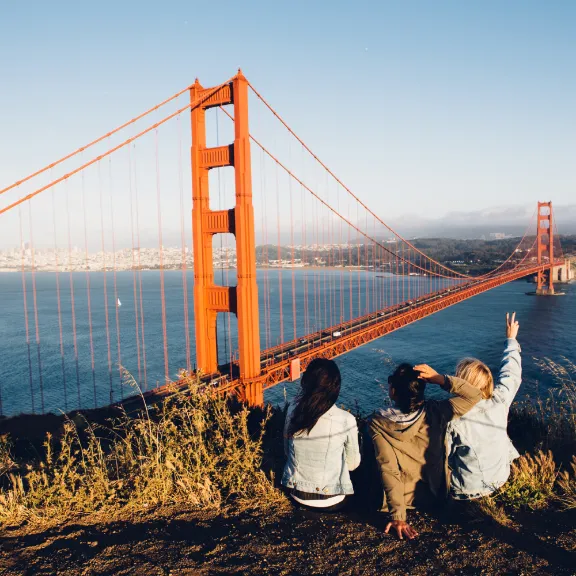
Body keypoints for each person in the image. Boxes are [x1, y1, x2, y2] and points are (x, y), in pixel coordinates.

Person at [369, 362, 482, 539]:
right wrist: (439, 379)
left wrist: (398, 516)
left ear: (393, 392)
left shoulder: (378, 423)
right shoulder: (437, 411)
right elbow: (474, 395)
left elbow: (388, 468)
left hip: (404, 500)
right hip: (436, 495)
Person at [446, 312, 522, 500]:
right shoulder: (499, 401)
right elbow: (511, 374)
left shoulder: (452, 418)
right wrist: (511, 340)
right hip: (500, 479)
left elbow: (441, 458)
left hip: (465, 490)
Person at [282, 358, 361, 512]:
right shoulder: (346, 419)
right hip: (332, 500)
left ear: (305, 383)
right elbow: (352, 465)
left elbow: (286, 452)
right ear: (335, 387)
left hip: (296, 494)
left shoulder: (292, 410)